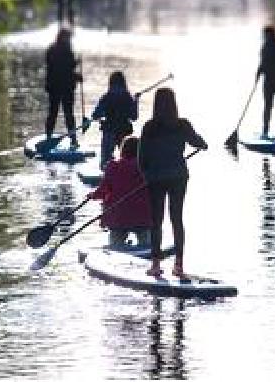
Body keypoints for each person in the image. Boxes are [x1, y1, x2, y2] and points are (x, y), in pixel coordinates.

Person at [138, 87, 207, 277]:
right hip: (178, 176)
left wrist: (145, 174)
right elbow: (198, 142)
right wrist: (202, 143)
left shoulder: (149, 127)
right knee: (177, 219)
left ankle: (155, 265)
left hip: (156, 178)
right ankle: (178, 265)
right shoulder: (182, 125)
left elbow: (141, 157)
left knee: (156, 221)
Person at [88, 136, 152, 248]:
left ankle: (116, 245)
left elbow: (103, 191)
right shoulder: (147, 168)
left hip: (117, 216)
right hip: (142, 217)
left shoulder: (112, 166)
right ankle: (147, 247)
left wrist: (92, 195)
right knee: (146, 237)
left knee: (116, 238)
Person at [90, 71, 139, 169]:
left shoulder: (107, 97)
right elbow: (133, 116)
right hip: (123, 131)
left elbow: (95, 115)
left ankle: (106, 171)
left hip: (110, 130)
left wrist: (101, 115)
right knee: (128, 157)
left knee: (105, 160)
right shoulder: (127, 97)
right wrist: (135, 102)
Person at [44, 27, 81, 148]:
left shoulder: (52, 49)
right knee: (65, 113)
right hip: (63, 87)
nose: (69, 39)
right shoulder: (65, 50)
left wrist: (75, 69)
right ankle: (72, 139)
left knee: (56, 113)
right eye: (68, 37)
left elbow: (62, 68)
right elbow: (65, 69)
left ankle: (50, 136)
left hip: (56, 86)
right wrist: (76, 74)